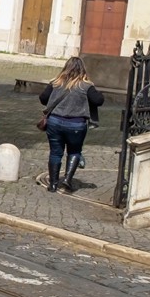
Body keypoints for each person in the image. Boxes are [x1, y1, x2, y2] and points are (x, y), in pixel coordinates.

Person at [39, 57, 105, 194]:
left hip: (54, 123)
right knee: (74, 151)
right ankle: (67, 180)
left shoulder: (56, 82)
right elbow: (98, 100)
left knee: (55, 153)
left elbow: (43, 98)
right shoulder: (86, 86)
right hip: (76, 125)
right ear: (82, 69)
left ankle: (53, 184)